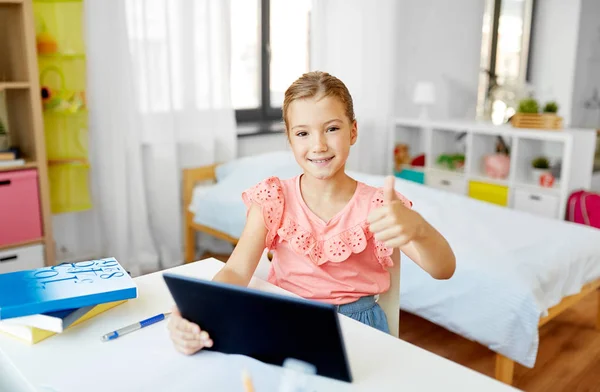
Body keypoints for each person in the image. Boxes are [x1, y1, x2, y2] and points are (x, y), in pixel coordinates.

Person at [168, 71, 456, 355]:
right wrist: (197, 314)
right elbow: (236, 270)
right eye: (303, 133)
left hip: (358, 332)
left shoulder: (379, 206)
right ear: (290, 139)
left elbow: (443, 270)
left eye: (331, 129)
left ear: (353, 131)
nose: (318, 145)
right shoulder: (273, 198)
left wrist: (419, 229)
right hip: (286, 321)